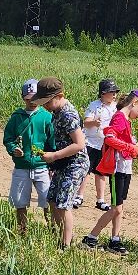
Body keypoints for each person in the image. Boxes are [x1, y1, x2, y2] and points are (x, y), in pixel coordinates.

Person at [83, 89, 138, 253]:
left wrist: (135, 151)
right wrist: (130, 147)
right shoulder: (120, 117)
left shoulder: (125, 119)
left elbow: (121, 143)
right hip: (117, 169)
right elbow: (110, 139)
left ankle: (115, 239)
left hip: (125, 167)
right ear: (135, 102)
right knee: (115, 208)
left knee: (119, 206)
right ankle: (91, 238)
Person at [34, 78, 90, 249]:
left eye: (47, 102)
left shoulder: (68, 114)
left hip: (75, 163)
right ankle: (57, 234)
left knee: (63, 203)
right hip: (62, 162)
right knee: (52, 199)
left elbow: (79, 144)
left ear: (59, 96)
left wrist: (55, 156)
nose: (45, 106)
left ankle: (65, 245)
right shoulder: (56, 112)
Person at [1, 79, 53, 233]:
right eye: (29, 98)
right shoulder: (17, 117)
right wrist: (13, 149)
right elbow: (8, 138)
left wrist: (51, 161)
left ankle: (52, 229)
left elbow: (52, 141)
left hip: (42, 166)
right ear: (23, 97)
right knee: (20, 201)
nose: (32, 102)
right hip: (22, 166)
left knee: (47, 200)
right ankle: (22, 230)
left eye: (36, 98)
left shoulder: (46, 117)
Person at [83, 79, 120, 211]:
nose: (114, 95)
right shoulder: (94, 105)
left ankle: (100, 200)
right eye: (111, 92)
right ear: (103, 93)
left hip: (105, 143)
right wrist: (94, 122)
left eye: (115, 92)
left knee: (101, 172)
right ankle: (79, 196)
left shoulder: (116, 108)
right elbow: (85, 122)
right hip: (91, 142)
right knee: (86, 170)